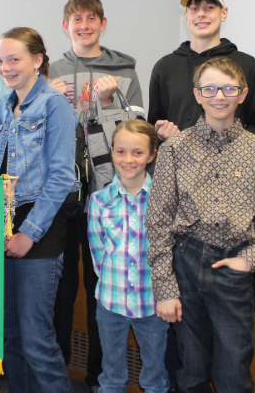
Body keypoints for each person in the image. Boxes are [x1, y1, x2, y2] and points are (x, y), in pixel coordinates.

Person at [147, 56, 255, 393]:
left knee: (233, 371)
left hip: (233, 267)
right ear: (196, 94)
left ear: (243, 93)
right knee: (191, 369)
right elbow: (159, 220)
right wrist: (165, 288)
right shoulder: (174, 149)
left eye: (228, 88)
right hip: (187, 262)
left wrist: (248, 261)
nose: (219, 96)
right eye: (209, 88)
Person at [47, 0, 145, 389]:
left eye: (91, 19)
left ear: (103, 24)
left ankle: (100, 376)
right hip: (63, 191)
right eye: (76, 19)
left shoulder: (124, 69)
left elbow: (138, 128)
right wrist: (47, 101)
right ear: (65, 25)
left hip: (109, 191)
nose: (84, 26)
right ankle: (55, 372)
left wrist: (108, 100)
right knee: (61, 286)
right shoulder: (49, 70)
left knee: (102, 284)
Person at [0, 27, 80, 393]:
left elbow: (60, 179)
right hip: (3, 225)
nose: (5, 67)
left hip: (39, 226)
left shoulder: (54, 105)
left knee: (37, 340)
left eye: (14, 59)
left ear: (38, 61)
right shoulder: (2, 106)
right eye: (0, 61)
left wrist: (29, 233)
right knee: (10, 336)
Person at [87, 119, 169, 393]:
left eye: (137, 152)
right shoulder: (100, 201)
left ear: (152, 155)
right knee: (111, 377)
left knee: (155, 378)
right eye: (121, 151)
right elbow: (98, 253)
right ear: (111, 152)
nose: (128, 159)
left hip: (153, 304)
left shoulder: (164, 200)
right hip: (111, 303)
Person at [147, 0, 255, 142]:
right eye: (194, 9)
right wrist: (161, 135)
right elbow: (151, 129)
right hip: (177, 164)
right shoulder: (164, 67)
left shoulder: (247, 65)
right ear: (186, 16)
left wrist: (231, 148)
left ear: (224, 13)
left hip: (232, 166)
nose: (201, 14)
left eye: (209, 8)